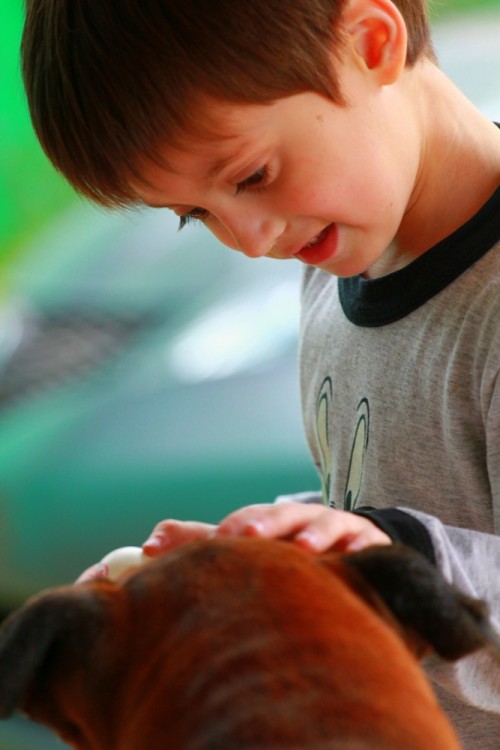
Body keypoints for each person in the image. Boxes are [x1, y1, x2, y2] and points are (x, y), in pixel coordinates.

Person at [21, 0, 500, 746]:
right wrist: (272, 550)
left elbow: (409, 533)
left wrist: (403, 555)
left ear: (370, 41)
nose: (246, 241)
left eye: (251, 175)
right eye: (193, 214)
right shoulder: (338, 270)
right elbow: (388, 498)